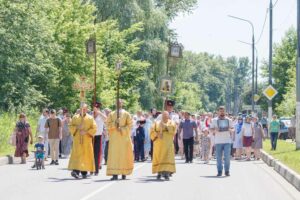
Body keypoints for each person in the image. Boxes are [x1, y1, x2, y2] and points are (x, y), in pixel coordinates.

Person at [106, 99, 134, 181]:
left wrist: (122, 129)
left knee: (123, 155)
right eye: (117, 102)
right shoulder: (111, 114)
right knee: (114, 155)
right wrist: (115, 124)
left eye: (120, 102)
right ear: (115, 104)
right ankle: (114, 174)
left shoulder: (126, 114)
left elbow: (130, 125)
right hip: (114, 138)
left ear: (122, 103)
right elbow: (107, 124)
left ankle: (124, 173)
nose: (118, 104)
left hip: (123, 138)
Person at [68, 104, 97, 179]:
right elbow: (70, 126)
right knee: (77, 155)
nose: (83, 110)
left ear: (87, 109)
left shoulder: (90, 118)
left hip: (86, 140)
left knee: (85, 156)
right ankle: (75, 171)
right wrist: (77, 127)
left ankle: (84, 172)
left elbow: (94, 128)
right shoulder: (75, 117)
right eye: (81, 109)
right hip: (77, 140)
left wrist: (86, 132)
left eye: (84, 109)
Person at [150, 111, 176, 180]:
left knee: (167, 158)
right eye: (163, 115)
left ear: (168, 116)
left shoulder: (171, 122)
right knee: (159, 158)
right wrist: (157, 134)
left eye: (166, 115)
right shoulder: (157, 123)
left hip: (168, 144)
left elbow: (174, 130)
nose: (165, 116)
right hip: (159, 145)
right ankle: (159, 173)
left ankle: (166, 174)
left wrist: (166, 126)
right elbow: (152, 131)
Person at [210, 106, 233, 176]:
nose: (222, 112)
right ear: (218, 112)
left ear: (225, 112)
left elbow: (233, 129)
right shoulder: (214, 120)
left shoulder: (229, 120)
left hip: (227, 141)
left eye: (223, 111)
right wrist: (215, 130)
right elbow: (210, 129)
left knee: (227, 157)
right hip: (218, 141)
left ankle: (227, 171)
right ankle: (219, 171)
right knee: (219, 158)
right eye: (220, 111)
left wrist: (230, 130)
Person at [93, 102, 107, 176]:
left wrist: (99, 113)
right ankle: (91, 168)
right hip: (91, 136)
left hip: (98, 136)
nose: (95, 109)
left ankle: (96, 169)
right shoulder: (91, 114)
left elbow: (106, 119)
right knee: (91, 153)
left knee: (97, 153)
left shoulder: (101, 115)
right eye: (95, 107)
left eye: (97, 108)